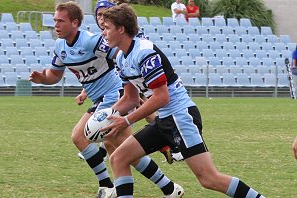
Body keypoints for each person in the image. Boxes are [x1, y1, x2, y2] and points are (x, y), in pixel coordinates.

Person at [101, 3, 266, 198]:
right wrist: (104, 117)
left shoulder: (144, 53)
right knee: (119, 158)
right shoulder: (121, 59)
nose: (103, 33)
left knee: (209, 179)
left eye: (107, 28)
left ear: (121, 29)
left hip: (181, 116)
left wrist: (127, 120)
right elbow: (130, 98)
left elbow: (163, 97)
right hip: (164, 119)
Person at [30, 1, 183, 197]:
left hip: (115, 94)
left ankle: (110, 186)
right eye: (55, 21)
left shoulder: (91, 41)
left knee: (88, 139)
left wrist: (135, 82)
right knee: (120, 148)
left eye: (61, 21)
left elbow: (122, 53)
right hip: (99, 99)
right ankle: (168, 187)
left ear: (75, 23)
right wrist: (43, 79)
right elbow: (54, 75)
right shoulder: (60, 46)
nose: (56, 25)